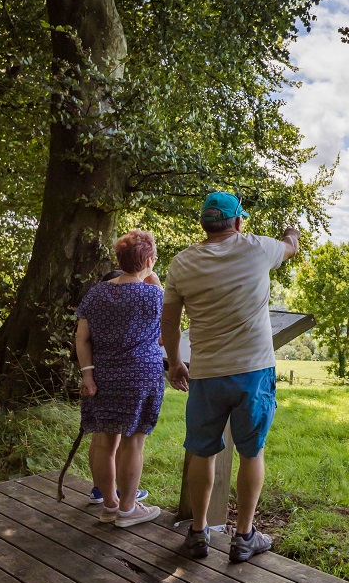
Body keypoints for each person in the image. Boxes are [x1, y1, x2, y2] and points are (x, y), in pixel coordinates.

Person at [162, 192, 299, 561]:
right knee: (252, 452)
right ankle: (244, 536)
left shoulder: (182, 263)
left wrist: (175, 363)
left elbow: (169, 324)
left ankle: (198, 533)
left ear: (204, 224)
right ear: (238, 222)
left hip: (205, 373)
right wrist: (292, 230)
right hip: (253, 372)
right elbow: (291, 247)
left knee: (202, 452)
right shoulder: (257, 248)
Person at [75, 229, 165, 528]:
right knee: (133, 442)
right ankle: (128, 509)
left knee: (103, 441)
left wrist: (87, 374)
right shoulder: (154, 295)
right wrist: (156, 282)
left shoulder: (96, 293)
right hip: (141, 376)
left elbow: (82, 338)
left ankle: (109, 506)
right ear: (148, 261)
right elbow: (164, 336)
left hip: (103, 375)